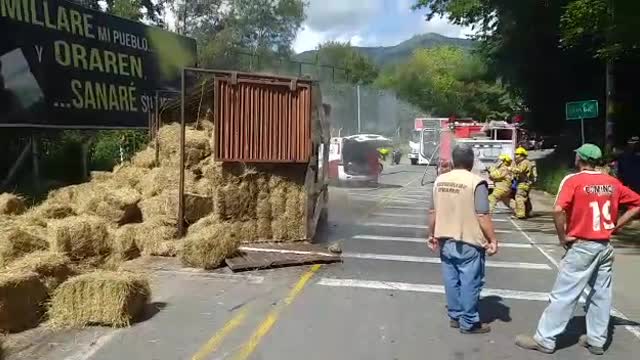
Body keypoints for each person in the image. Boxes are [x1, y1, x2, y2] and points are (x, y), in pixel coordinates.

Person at [515, 144, 640, 355]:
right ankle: (597, 340)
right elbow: (637, 203)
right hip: (604, 246)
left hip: (582, 245)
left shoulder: (573, 181)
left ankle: (545, 339)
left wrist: (562, 237)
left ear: (579, 159)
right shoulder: (612, 183)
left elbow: (558, 209)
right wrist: (617, 225)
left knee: (564, 295)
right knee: (601, 294)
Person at [428, 144, 499, 334]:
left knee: (451, 280)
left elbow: (433, 211)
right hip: (469, 242)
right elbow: (482, 215)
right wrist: (493, 239)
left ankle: (455, 316)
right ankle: (468, 323)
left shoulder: (439, 181)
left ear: (453, 160)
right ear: (471, 161)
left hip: (444, 240)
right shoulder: (477, 182)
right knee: (470, 282)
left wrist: (431, 234)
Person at [511, 147, 534, 219]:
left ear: (522, 155)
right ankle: (528, 212)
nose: (516, 156)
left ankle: (520, 214)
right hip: (523, 182)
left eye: (517, 154)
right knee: (525, 198)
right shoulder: (520, 162)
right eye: (515, 154)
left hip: (523, 183)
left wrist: (511, 169)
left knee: (519, 197)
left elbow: (520, 170)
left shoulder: (525, 162)